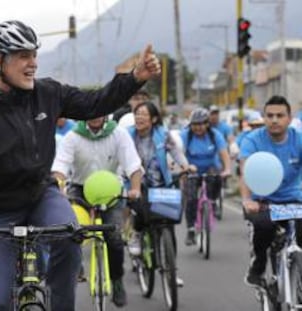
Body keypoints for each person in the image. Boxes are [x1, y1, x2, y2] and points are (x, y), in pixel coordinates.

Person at [0, 20, 161, 310]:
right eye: (23, 56)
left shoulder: (48, 92)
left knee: (70, 237)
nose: (33, 63)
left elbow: (95, 103)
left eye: (34, 54)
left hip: (40, 195)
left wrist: (134, 78)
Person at [52, 115, 143, 307]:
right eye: (91, 112)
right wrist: (59, 186)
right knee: (72, 232)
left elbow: (133, 164)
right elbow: (60, 166)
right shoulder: (73, 136)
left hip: (111, 190)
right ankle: (77, 267)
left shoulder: (118, 134)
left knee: (115, 238)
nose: (95, 116)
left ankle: (117, 280)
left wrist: (135, 189)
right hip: (80, 189)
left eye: (100, 111)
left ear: (107, 114)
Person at [126, 101, 194, 286]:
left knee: (168, 227)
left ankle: (171, 270)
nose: (139, 117)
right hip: (136, 183)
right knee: (138, 208)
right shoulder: (127, 136)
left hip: (161, 184)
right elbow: (120, 156)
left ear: (154, 118)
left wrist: (186, 166)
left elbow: (177, 153)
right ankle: (136, 236)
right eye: (137, 113)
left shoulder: (163, 135)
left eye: (143, 114)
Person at [240, 95, 302, 287]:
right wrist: (247, 200)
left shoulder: (298, 139)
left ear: (289, 119)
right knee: (265, 228)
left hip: (294, 201)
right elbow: (245, 171)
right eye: (270, 115)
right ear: (264, 118)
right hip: (264, 203)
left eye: (280, 115)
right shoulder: (253, 140)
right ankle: (257, 267)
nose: (274, 120)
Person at [181, 108, 231, 245]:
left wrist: (227, 169)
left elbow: (223, 153)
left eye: (202, 124)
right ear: (190, 125)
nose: (198, 127)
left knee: (217, 178)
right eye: (195, 124)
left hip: (210, 166)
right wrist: (184, 170)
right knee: (191, 198)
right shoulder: (186, 135)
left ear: (207, 124)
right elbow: (179, 154)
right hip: (191, 168)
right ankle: (191, 229)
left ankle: (213, 202)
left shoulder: (215, 135)